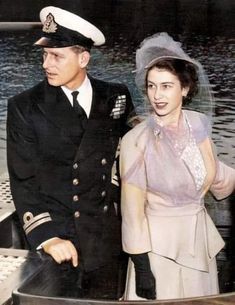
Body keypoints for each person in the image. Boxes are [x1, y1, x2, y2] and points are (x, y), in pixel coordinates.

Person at [7, 6, 134, 299]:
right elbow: (23, 181)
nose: (46, 64)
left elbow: (132, 154)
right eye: (45, 55)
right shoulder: (25, 107)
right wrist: (47, 237)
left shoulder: (116, 96)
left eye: (57, 56)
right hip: (58, 242)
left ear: (83, 58)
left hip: (107, 240)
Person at [120, 32, 235, 300]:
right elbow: (132, 213)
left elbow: (214, 172)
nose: (157, 95)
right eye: (151, 86)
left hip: (198, 244)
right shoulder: (135, 141)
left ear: (184, 88)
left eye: (166, 86)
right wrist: (142, 267)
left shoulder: (198, 124)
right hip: (157, 252)